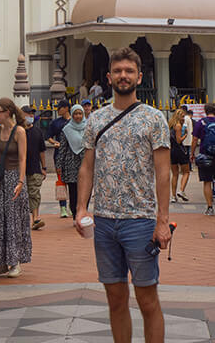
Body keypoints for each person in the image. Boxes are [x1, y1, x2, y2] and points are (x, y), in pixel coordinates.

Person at [75, 47, 171, 343]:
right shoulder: (95, 119)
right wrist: (80, 209)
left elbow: (164, 173)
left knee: (147, 298)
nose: (123, 76)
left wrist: (162, 221)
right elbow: (87, 168)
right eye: (118, 71)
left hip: (139, 222)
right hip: (104, 222)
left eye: (129, 71)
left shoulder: (154, 119)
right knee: (115, 298)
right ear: (108, 77)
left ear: (139, 77)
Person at [0, 98, 32, 278]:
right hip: (0, 179)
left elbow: (22, 158)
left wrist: (21, 182)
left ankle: (15, 262)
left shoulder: (19, 131)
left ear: (8, 112)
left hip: (14, 178)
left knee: (12, 220)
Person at [56, 103, 87, 217]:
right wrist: (59, 165)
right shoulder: (66, 130)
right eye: (76, 114)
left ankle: (83, 212)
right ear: (72, 115)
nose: (78, 116)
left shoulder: (88, 127)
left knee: (85, 190)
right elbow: (62, 149)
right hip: (71, 164)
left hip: (85, 163)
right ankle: (75, 214)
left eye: (80, 113)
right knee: (73, 191)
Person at [23, 105, 47, 230]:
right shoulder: (18, 131)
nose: (30, 117)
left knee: (34, 193)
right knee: (22, 195)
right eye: (27, 114)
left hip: (34, 168)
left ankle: (36, 218)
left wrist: (44, 167)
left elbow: (42, 151)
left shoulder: (38, 132)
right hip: (20, 170)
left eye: (32, 114)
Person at [46, 100, 72, 217]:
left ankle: (73, 206)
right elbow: (48, 137)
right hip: (59, 154)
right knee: (61, 181)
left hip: (72, 155)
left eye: (60, 108)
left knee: (73, 182)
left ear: (66, 108)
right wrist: (55, 142)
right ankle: (63, 207)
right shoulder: (55, 123)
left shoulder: (74, 122)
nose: (58, 110)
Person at [168, 107, 190, 203]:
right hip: (180, 151)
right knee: (186, 172)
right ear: (178, 117)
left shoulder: (171, 125)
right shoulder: (178, 126)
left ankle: (173, 196)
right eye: (182, 116)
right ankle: (181, 190)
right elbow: (178, 140)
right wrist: (185, 134)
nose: (184, 118)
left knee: (175, 174)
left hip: (172, 151)